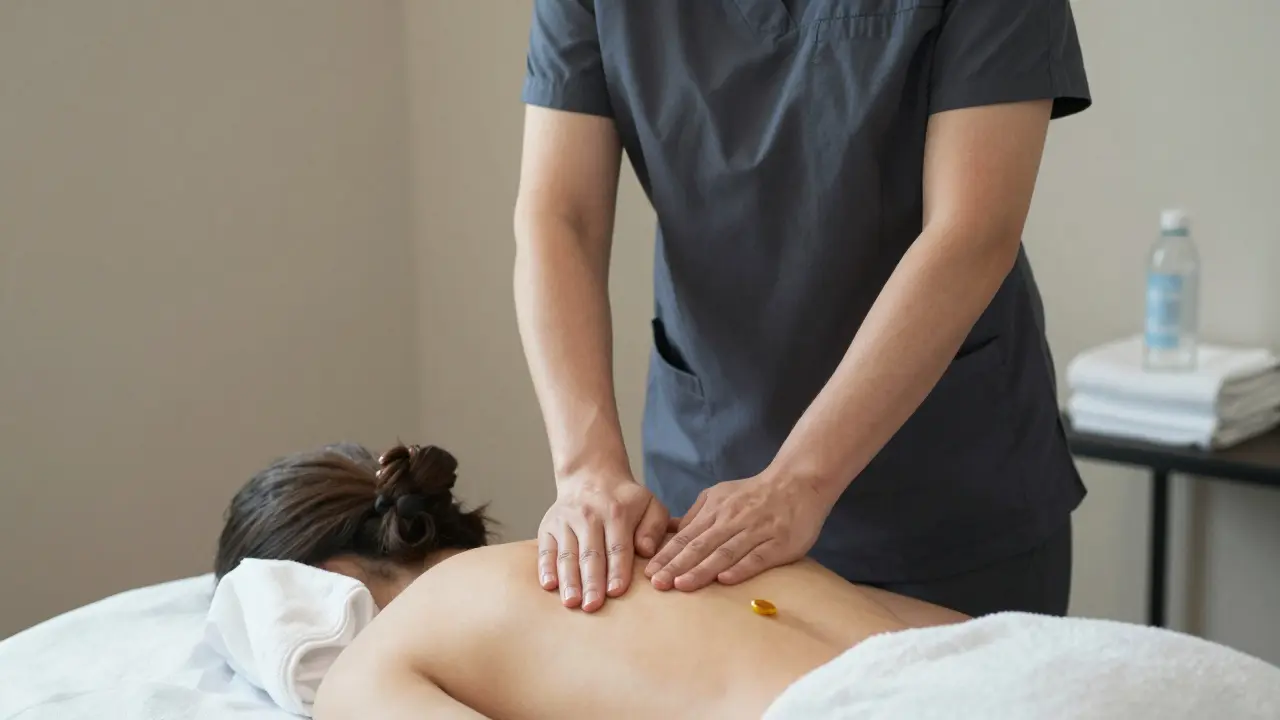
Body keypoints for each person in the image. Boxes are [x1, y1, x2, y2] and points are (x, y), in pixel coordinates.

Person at [513, 0, 1092, 618]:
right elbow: (560, 218)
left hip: (945, 495)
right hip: (707, 487)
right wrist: (586, 467)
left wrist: (801, 480)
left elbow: (970, 234)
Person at [215, 442, 966, 719]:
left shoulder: (375, 664)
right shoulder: (673, 538)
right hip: (1039, 672)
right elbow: (959, 645)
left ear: (322, 587)